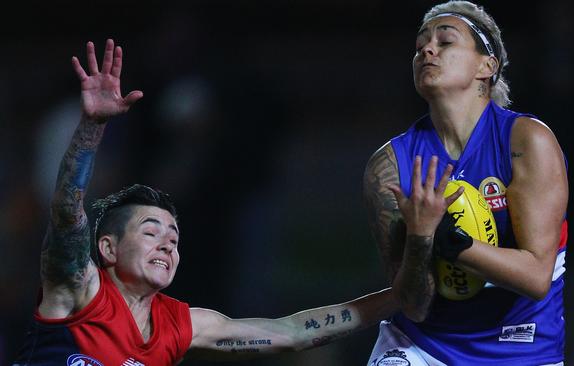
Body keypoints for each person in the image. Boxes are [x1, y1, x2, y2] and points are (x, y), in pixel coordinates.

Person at [13, 39, 398, 365]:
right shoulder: (77, 289)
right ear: (108, 248)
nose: (168, 242)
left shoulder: (182, 324)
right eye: (151, 231)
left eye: (174, 236)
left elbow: (292, 331)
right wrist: (92, 126)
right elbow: (66, 210)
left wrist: (400, 295)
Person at [362, 1, 568, 365]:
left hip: (522, 346)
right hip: (425, 345)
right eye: (421, 44)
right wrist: (421, 239)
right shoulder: (390, 165)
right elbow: (413, 305)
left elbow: (536, 277)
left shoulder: (526, 141)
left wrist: (447, 242)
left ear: (486, 66)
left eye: (445, 42)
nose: (427, 49)